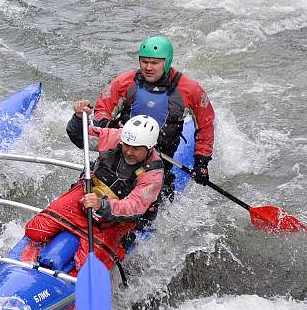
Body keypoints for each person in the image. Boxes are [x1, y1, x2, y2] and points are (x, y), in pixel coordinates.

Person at [24, 105, 164, 272]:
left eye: (136, 148)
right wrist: (78, 117)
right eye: (126, 145)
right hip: (87, 194)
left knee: (88, 268)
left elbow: (134, 207)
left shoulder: (153, 174)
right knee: (34, 230)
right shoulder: (115, 137)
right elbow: (80, 136)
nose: (128, 151)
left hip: (116, 217)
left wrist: (102, 205)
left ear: (149, 148)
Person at [92, 36, 215, 200]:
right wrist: (107, 124)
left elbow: (206, 124)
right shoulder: (124, 82)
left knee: (153, 203)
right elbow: (102, 108)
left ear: (167, 62)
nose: (148, 67)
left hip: (160, 158)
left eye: (155, 63)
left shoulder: (191, 89)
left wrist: (201, 162)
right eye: (144, 62)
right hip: (123, 150)